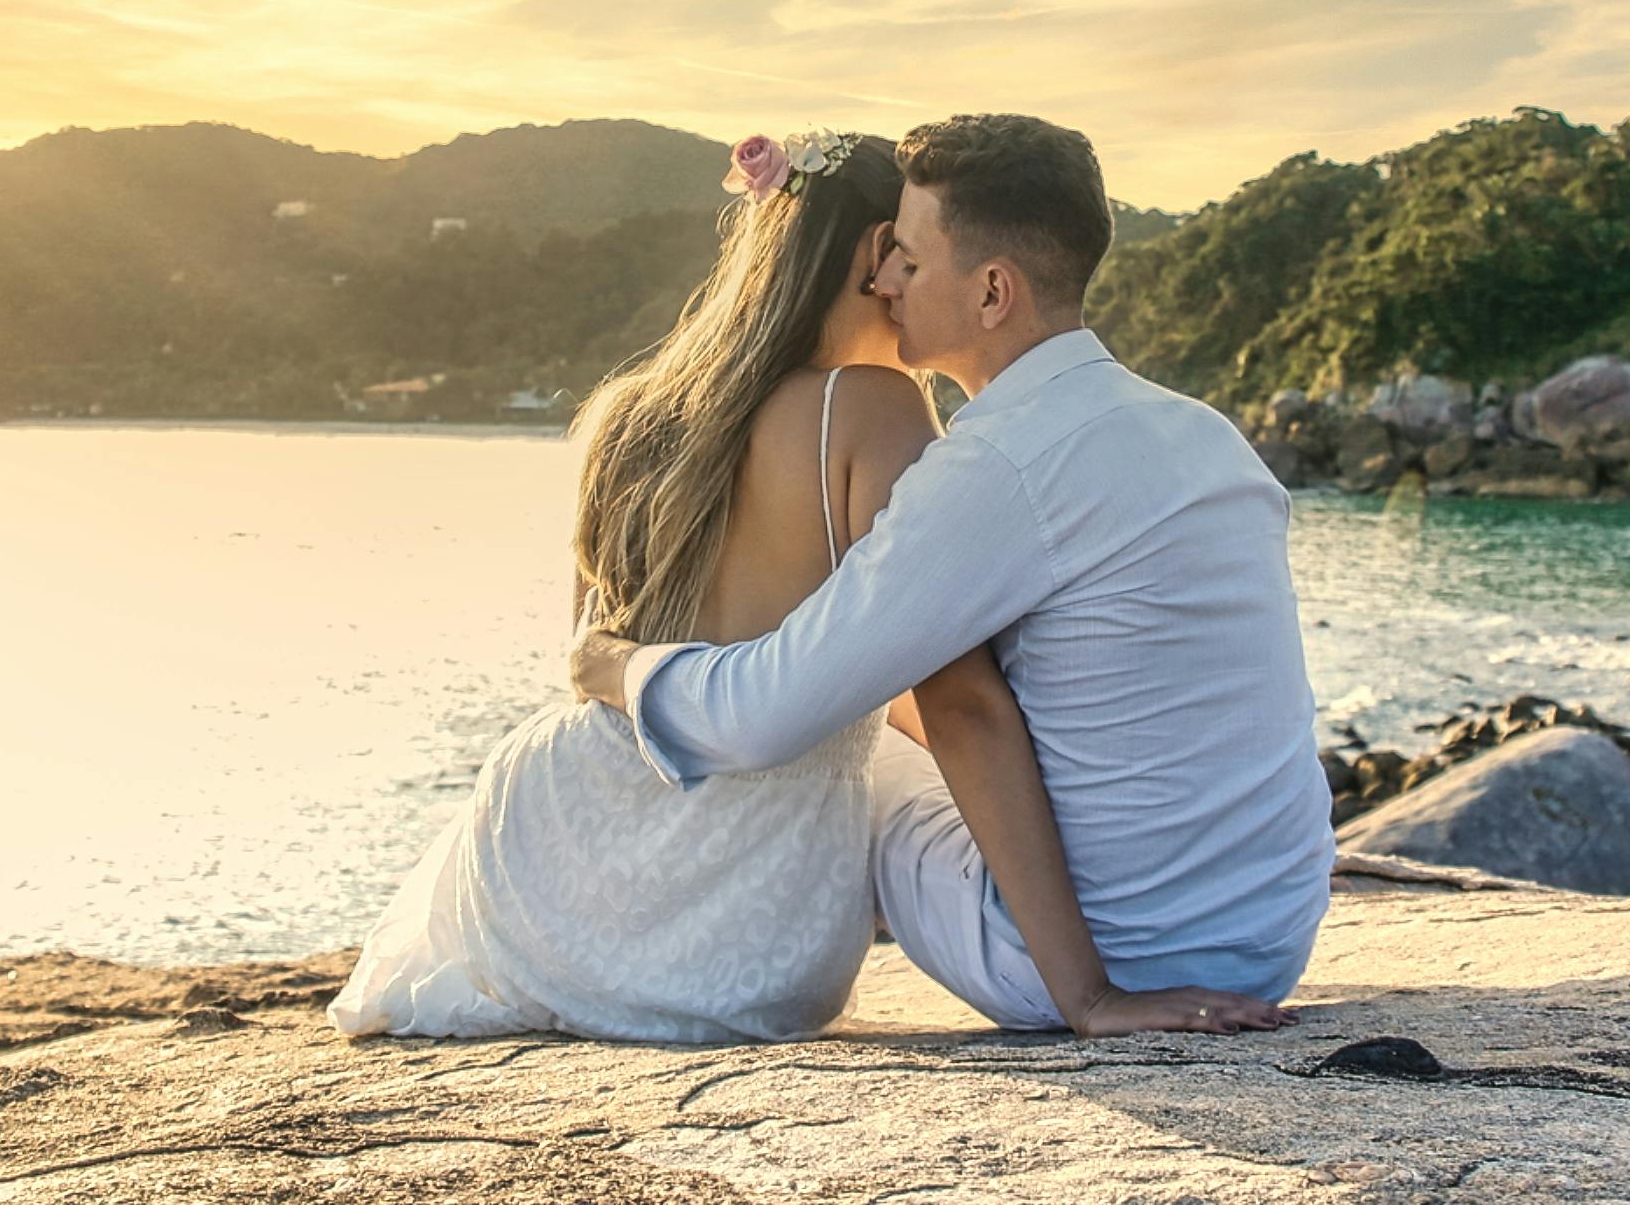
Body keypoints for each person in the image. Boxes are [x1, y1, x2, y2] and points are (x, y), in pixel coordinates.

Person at [331, 125, 1260, 1041]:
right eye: (898, 252)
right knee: (902, 750)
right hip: (743, 926)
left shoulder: (620, 414)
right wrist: (1087, 993)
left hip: (541, 868)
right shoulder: (871, 411)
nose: (903, 280)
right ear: (868, 256)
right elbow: (954, 700)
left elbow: (590, 658)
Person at [570, 113, 1331, 1034]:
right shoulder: (1207, 435)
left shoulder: (994, 469)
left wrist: (612, 664)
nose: (886, 280)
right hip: (1267, 942)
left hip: (1096, 960)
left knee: (845, 736)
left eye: (912, 261)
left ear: (993, 291)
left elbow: (762, 716)